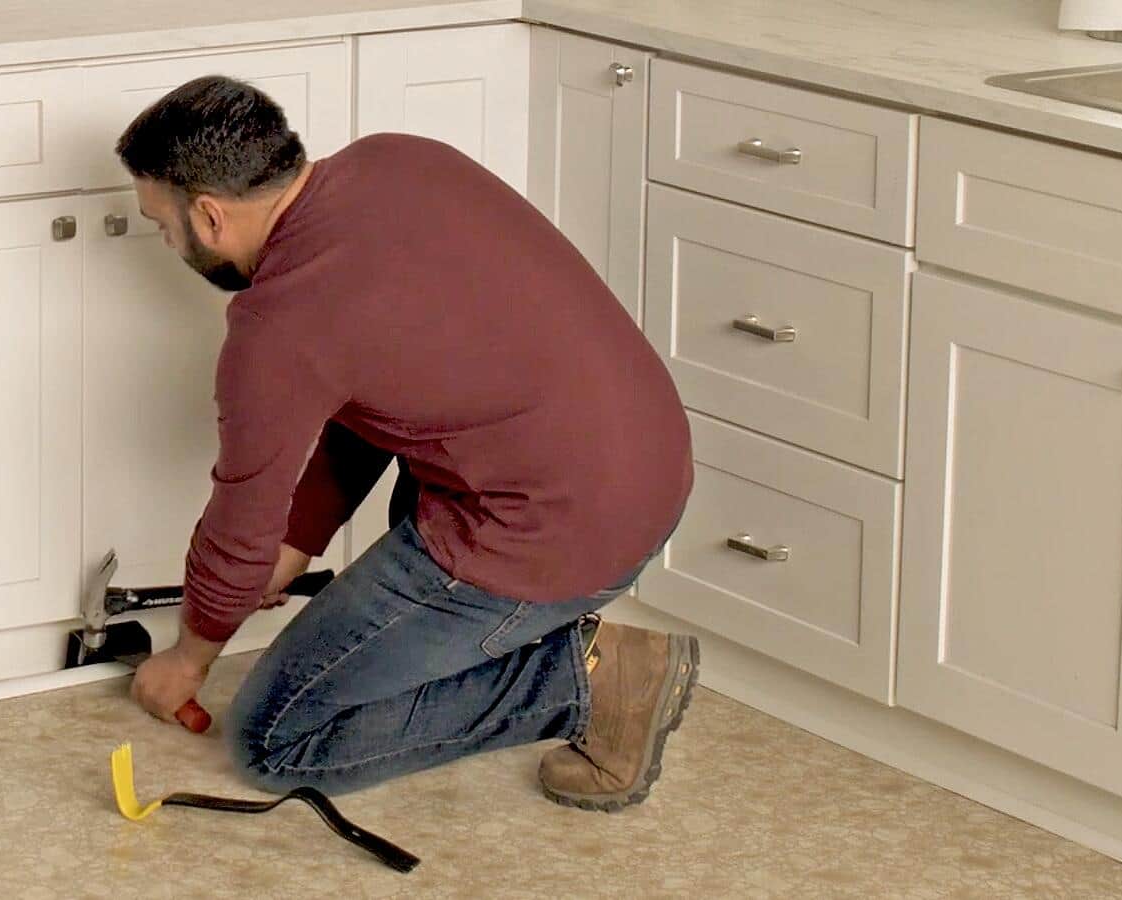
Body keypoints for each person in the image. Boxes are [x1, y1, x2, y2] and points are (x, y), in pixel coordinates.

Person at [119, 75, 697, 811]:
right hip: (651, 470)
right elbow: (375, 386)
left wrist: (189, 655)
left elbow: (240, 526)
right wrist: (300, 537)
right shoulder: (398, 161)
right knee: (393, 589)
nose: (167, 242)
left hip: (555, 531)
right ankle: (506, 638)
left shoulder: (275, 327)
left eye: (160, 225)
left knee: (274, 738)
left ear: (207, 216)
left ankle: (586, 679)